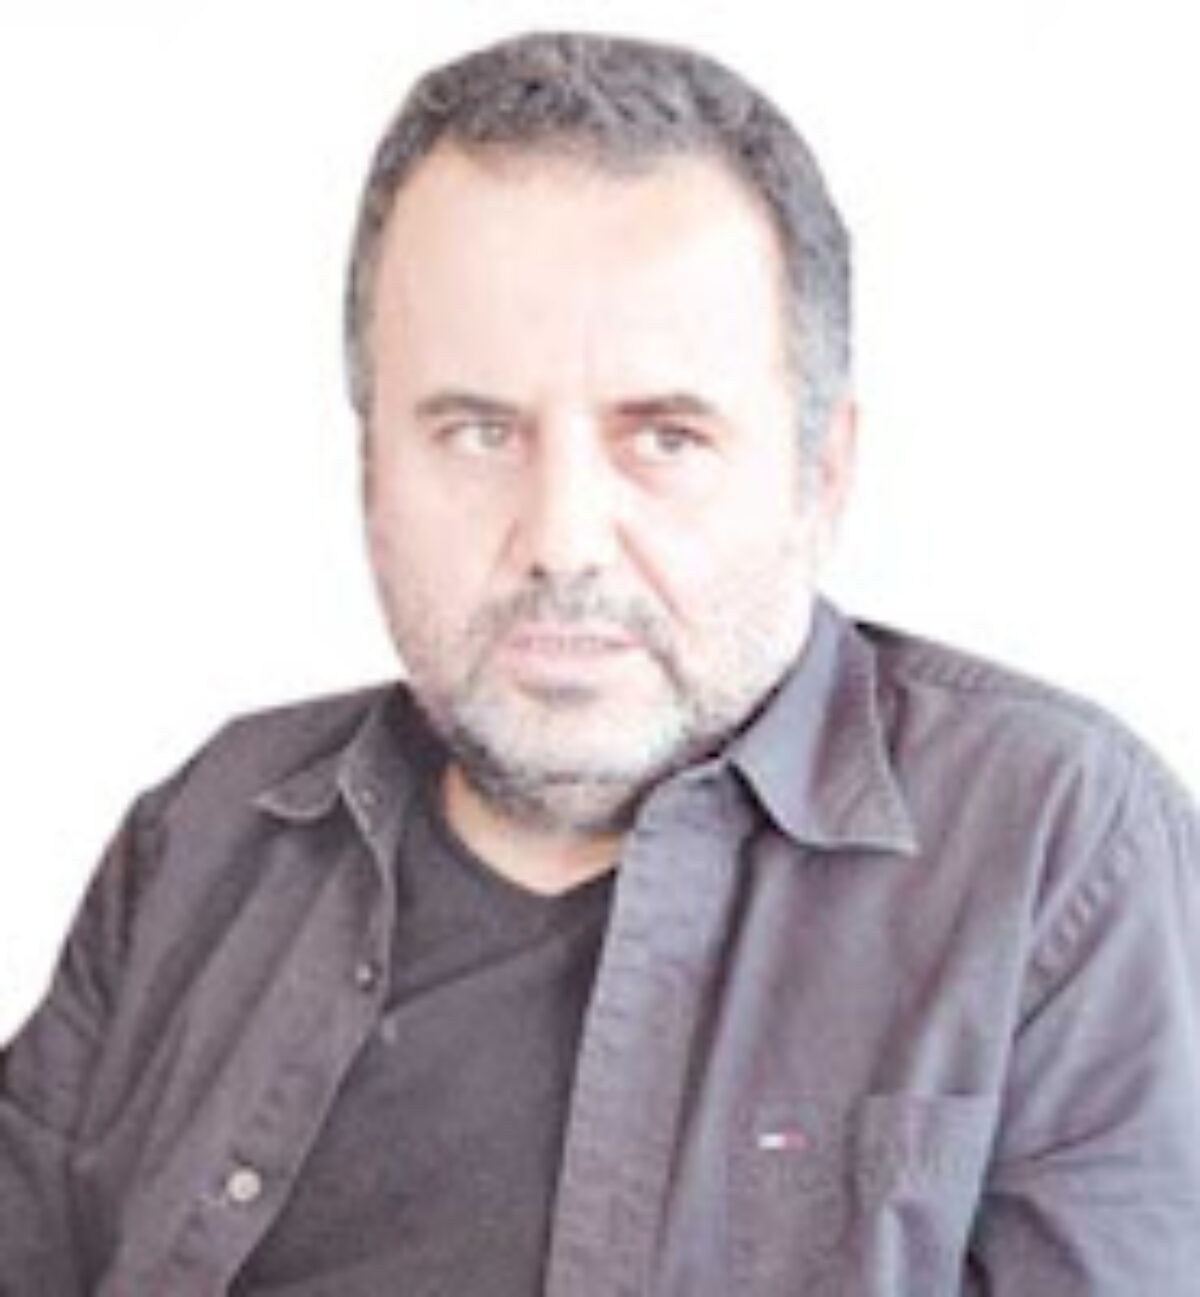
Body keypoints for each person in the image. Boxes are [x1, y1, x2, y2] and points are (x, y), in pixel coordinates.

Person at [1, 28, 1197, 1296]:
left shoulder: (1055, 844)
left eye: (664, 437)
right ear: (368, 470)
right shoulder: (206, 833)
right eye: (477, 431)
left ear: (823, 472)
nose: (562, 538)